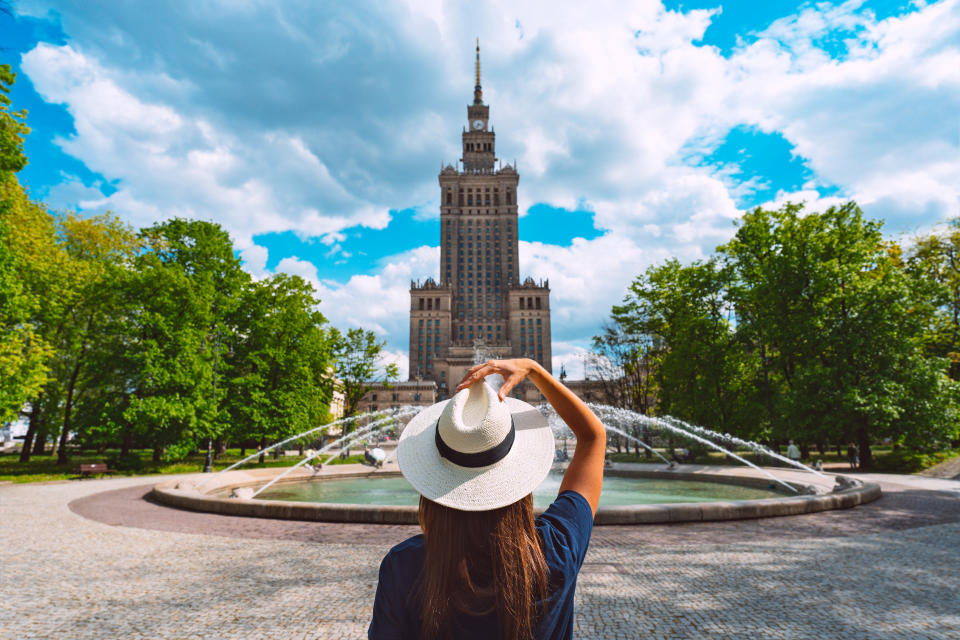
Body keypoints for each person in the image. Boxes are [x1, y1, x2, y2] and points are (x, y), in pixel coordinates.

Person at [368, 358, 606, 640]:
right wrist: (534, 370)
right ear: (518, 475)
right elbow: (593, 436)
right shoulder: (555, 549)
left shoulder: (404, 565)